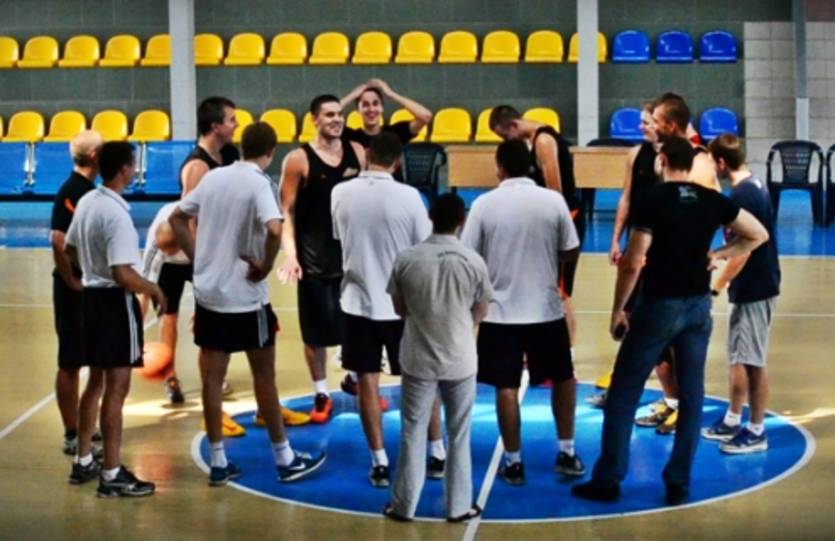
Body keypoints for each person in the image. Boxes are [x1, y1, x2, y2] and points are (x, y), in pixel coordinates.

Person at [572, 137, 769, 506]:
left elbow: (633, 261)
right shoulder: (711, 200)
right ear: (691, 164)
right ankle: (678, 481)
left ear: (661, 161)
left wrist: (618, 309)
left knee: (624, 391)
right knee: (692, 395)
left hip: (659, 306)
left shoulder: (653, 199)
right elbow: (758, 234)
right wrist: (719, 253)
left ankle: (609, 479)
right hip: (698, 308)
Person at [169, 122, 326, 486]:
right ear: (271, 152)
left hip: (210, 296)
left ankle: (218, 461)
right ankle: (284, 458)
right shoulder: (259, 183)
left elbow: (177, 218)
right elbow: (275, 228)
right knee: (264, 377)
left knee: (212, 380)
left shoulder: (214, 177)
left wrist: (198, 258)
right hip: (245, 298)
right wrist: (267, 264)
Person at [461, 140, 585, 485]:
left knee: (506, 385)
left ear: (499, 166)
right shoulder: (553, 201)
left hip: (499, 314)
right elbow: (571, 248)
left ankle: (513, 461)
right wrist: (550, 264)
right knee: (563, 378)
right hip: (546, 309)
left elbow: (467, 255)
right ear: (531, 166)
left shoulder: (483, 204)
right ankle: (567, 451)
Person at [140, 204, 310, 426]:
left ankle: (215, 378)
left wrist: (207, 306)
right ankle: (170, 377)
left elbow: (220, 271)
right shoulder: (157, 247)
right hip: (169, 269)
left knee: (210, 321)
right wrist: (134, 337)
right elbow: (143, 293)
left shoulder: (206, 232)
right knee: (168, 316)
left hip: (201, 258)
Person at [331, 132, 434, 487]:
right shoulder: (410, 197)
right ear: (399, 161)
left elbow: (339, 237)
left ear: (368, 155)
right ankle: (435, 452)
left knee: (367, 382)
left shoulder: (340, 193)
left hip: (357, 302)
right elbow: (424, 247)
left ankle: (378, 460)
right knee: (422, 380)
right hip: (403, 304)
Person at [65, 142, 165, 497]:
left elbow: (69, 248)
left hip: (90, 300)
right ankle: (111, 474)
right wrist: (153, 288)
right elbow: (123, 273)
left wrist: (89, 272)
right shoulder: (117, 214)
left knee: (95, 382)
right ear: (124, 169)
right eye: (132, 164)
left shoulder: (88, 201)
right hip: (114, 305)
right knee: (116, 391)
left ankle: (83, 460)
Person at [384, 193, 491, 522]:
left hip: (418, 358)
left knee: (412, 431)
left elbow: (399, 308)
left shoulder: (407, 258)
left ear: (430, 217)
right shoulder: (473, 261)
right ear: (462, 221)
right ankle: (458, 506)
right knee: (459, 433)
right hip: (460, 358)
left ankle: (403, 505)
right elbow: (481, 310)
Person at [589, 102, 680, 438]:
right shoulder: (635, 155)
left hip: (665, 255)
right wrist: (616, 240)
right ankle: (656, 396)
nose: (642, 127)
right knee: (633, 323)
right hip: (637, 246)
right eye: (642, 121)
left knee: (666, 332)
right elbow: (626, 198)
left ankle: (677, 403)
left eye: (648, 122)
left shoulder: (677, 158)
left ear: (665, 124)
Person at [277, 94, 365, 423]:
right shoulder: (298, 160)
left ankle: (354, 380)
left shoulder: (357, 153)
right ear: (314, 119)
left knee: (357, 325)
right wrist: (291, 255)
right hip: (314, 259)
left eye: (339, 114)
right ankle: (321, 392)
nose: (337, 119)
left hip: (352, 258)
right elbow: (285, 210)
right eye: (329, 115)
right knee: (315, 336)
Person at [703, 134, 781, 454]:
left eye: (712, 162)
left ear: (722, 163)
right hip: (751, 286)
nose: (711, 167)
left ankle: (757, 430)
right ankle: (734, 418)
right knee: (739, 355)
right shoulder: (754, 184)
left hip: (755, 287)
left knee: (752, 361)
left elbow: (744, 250)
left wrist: (715, 287)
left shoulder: (743, 195)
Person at [488, 105, 583, 349]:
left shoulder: (543, 141)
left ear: (513, 125)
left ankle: (567, 350)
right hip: (558, 218)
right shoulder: (535, 138)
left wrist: (552, 229)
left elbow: (555, 192)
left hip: (566, 219)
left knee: (560, 291)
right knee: (550, 286)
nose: (505, 142)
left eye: (504, 136)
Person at [50, 130, 105, 462]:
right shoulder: (72, 191)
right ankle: (72, 433)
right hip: (73, 291)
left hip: (91, 287)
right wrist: (70, 278)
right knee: (70, 361)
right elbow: (58, 239)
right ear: (94, 156)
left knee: (94, 359)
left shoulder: (90, 191)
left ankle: (86, 425)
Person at [340, 78, 433, 148]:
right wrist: (352, 95)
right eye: (365, 105)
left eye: (375, 104)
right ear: (358, 110)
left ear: (382, 108)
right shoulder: (351, 137)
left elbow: (426, 116)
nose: (371, 109)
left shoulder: (394, 134)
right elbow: (330, 113)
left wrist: (391, 94)